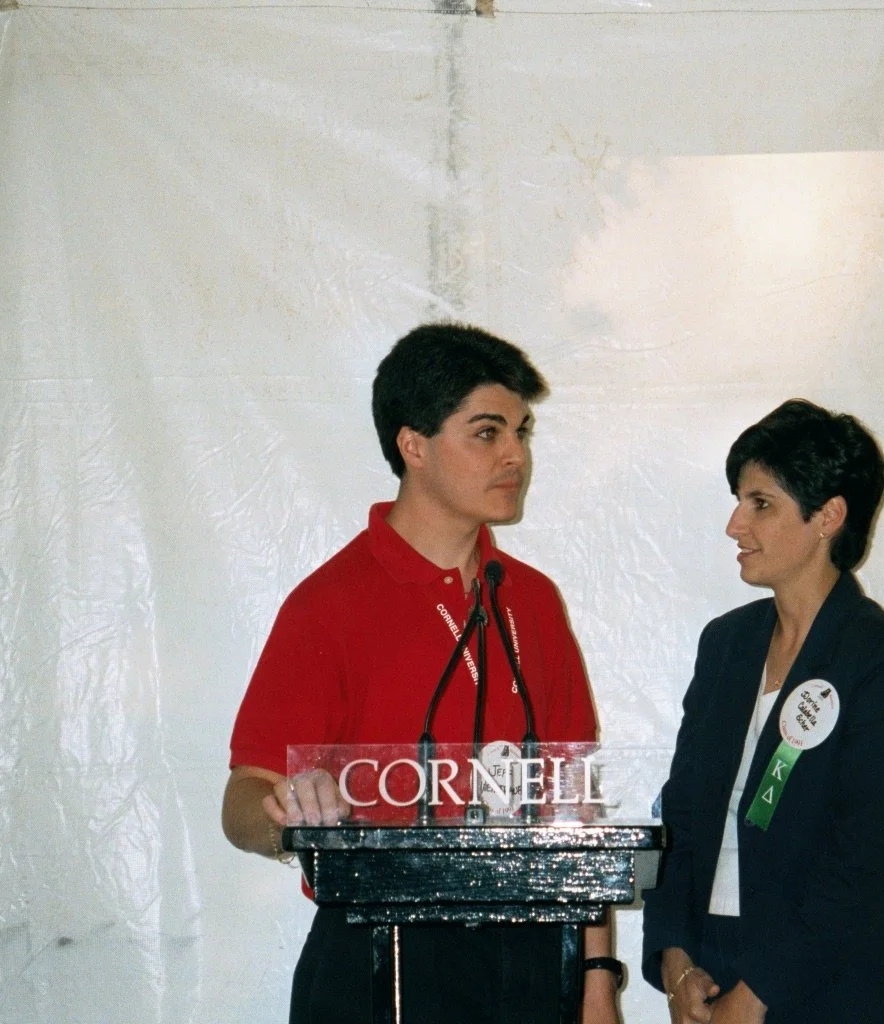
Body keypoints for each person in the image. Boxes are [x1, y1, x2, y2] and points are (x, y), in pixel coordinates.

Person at [221, 323, 623, 1024]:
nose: (515, 457)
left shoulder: (531, 601)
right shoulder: (330, 603)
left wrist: (595, 982)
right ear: (413, 445)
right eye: (487, 432)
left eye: (522, 433)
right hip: (377, 955)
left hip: (529, 955)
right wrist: (286, 812)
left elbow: (573, 809)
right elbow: (241, 803)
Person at [642, 400, 884, 1024]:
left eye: (760, 503)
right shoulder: (725, 645)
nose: (734, 524)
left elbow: (864, 863)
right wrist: (674, 959)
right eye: (738, 500)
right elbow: (682, 814)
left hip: (835, 986)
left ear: (828, 516)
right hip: (712, 970)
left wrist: (757, 997)